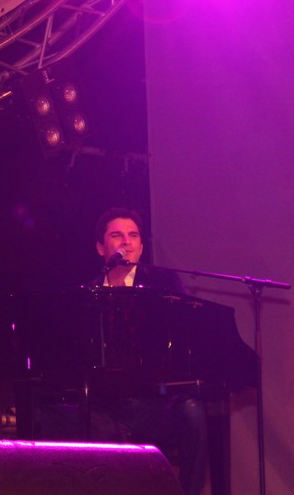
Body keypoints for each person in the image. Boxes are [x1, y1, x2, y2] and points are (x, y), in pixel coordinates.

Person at [83, 207, 209, 495]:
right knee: (56, 415)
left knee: (192, 412)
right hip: (105, 407)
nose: (126, 242)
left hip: (154, 404)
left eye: (134, 236)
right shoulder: (87, 294)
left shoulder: (163, 283)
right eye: (117, 235)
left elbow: (185, 336)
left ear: (141, 247)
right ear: (101, 247)